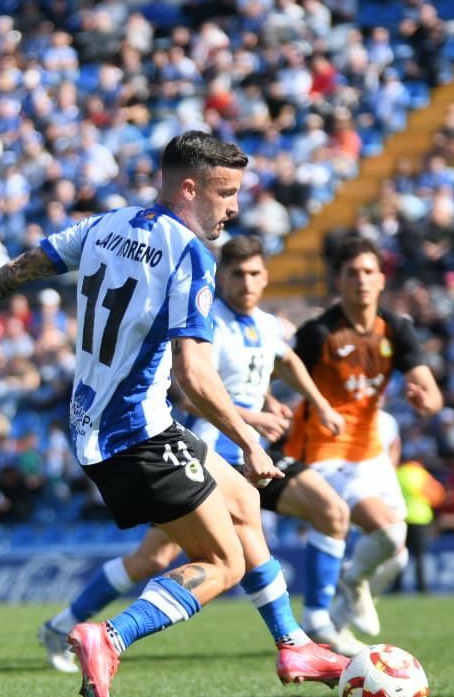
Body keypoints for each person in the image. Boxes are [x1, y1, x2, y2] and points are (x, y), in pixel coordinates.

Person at [0, 132, 348, 697]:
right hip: (136, 436)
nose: (234, 207)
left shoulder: (102, 226)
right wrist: (247, 440)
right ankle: (110, 637)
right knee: (223, 563)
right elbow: (194, 373)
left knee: (244, 504)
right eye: (227, 193)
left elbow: (20, 268)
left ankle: (294, 647)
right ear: (190, 188)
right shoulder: (191, 255)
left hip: (107, 425)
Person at [36, 233, 366, 664]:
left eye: (254, 274)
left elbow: (283, 360)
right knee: (156, 559)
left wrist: (310, 403)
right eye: (237, 275)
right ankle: (69, 625)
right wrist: (255, 420)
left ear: (266, 277)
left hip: (252, 457)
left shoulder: (267, 325)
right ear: (222, 277)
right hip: (209, 451)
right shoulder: (207, 320)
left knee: (329, 511)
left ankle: (312, 626)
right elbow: (190, 392)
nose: (246, 283)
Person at [284, 233, 445, 641]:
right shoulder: (318, 334)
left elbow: (432, 396)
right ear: (338, 280)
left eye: (369, 272)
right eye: (352, 273)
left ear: (382, 279)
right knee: (389, 533)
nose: (361, 280)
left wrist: (424, 399)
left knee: (396, 554)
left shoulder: (396, 330)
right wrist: (272, 406)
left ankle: (334, 624)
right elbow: (277, 370)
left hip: (370, 452)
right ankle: (350, 588)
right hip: (322, 453)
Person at [388, 411, 445, 594]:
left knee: (400, 555)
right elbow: (437, 496)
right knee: (420, 556)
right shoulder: (421, 474)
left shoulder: (398, 474)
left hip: (401, 518)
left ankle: (397, 588)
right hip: (420, 519)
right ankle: (422, 588)